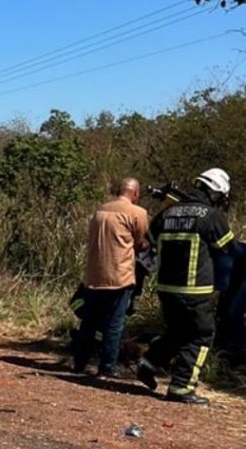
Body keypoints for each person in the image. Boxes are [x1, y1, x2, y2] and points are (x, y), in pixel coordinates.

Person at [138, 168, 235, 405]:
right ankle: (182, 387)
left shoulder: (165, 213)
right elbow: (228, 249)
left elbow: (146, 244)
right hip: (196, 290)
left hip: (166, 289)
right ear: (216, 193)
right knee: (202, 335)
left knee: (180, 331)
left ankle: (149, 361)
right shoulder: (210, 216)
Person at [72, 178, 149, 379]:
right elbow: (139, 242)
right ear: (135, 193)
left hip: (94, 275)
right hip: (119, 276)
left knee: (88, 322)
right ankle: (107, 367)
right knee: (114, 324)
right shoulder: (138, 213)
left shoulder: (100, 209)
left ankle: (79, 363)